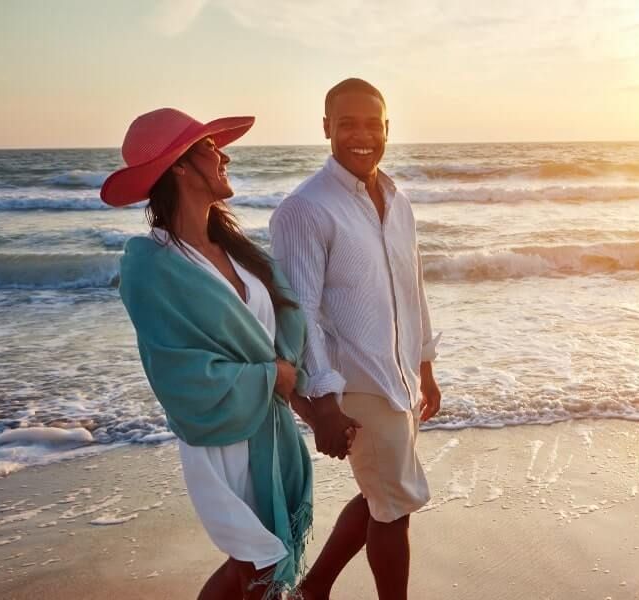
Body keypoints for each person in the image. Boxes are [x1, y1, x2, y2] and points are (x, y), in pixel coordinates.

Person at [102, 108, 320, 600]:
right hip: (219, 432)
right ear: (178, 165)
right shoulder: (152, 267)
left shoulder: (241, 250)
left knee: (250, 569)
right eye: (208, 147)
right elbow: (176, 372)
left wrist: (297, 386)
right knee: (256, 567)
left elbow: (283, 323)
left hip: (268, 425)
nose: (223, 154)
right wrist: (270, 377)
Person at [269, 77, 442, 600]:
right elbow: (300, 313)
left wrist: (426, 367)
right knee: (394, 509)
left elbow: (414, 288)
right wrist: (323, 400)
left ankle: (313, 589)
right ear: (327, 128)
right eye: (348, 124)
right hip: (356, 382)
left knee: (380, 495)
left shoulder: (397, 199)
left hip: (400, 379)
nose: (361, 135)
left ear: (388, 128)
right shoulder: (305, 209)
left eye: (373, 123)